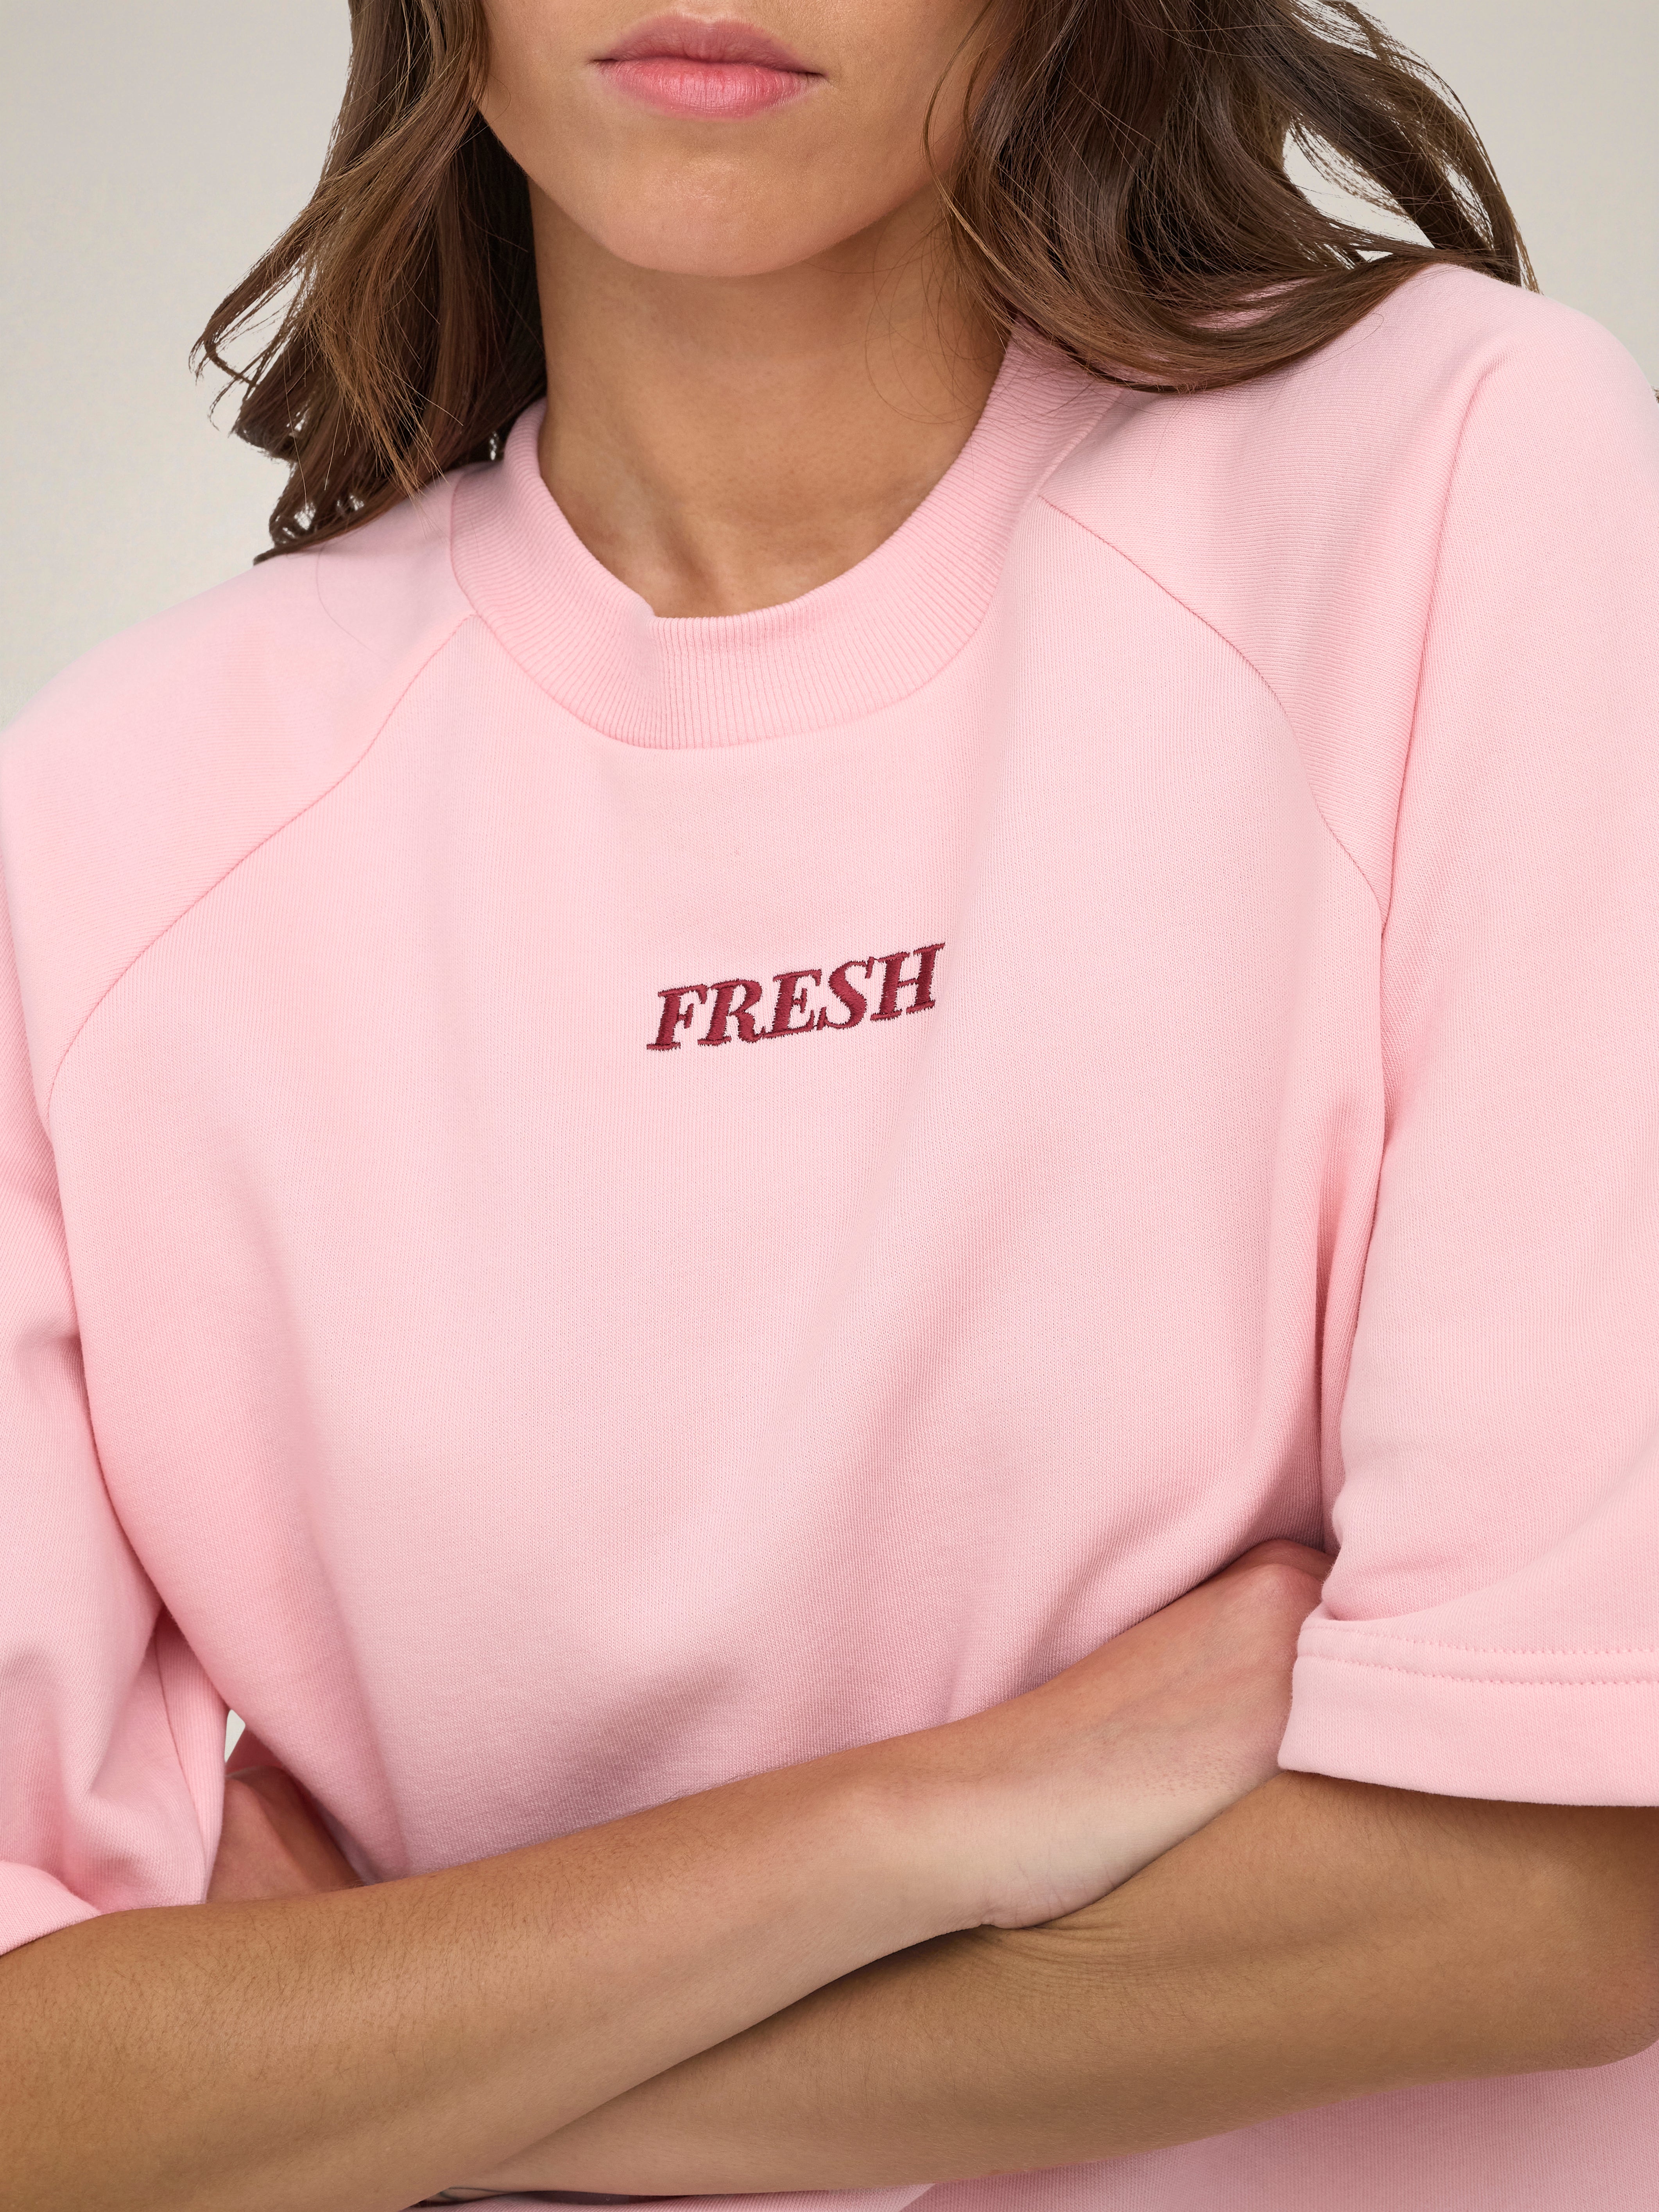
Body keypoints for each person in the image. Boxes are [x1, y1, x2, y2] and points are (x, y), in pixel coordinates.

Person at [2, 0, 1657, 2206]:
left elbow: (1552, 1904)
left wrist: (363, 2068)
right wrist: (923, 1819)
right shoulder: (114, 835)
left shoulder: (1446, 490)